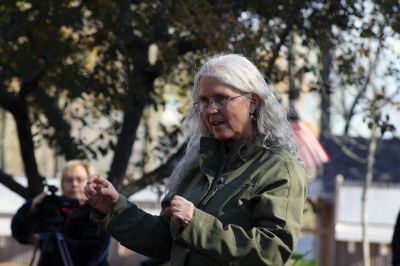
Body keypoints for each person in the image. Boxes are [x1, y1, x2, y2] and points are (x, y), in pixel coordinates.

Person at [84, 53, 308, 265]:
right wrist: (114, 209)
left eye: (221, 98)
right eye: (204, 100)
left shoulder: (279, 167)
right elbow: (165, 241)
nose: (211, 109)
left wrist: (196, 223)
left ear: (253, 102)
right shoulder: (200, 163)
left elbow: (271, 252)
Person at [11, 160, 110, 266]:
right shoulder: (52, 208)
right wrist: (31, 208)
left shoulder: (97, 211)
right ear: (62, 183)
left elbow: (90, 255)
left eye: (79, 179)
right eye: (69, 180)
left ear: (90, 184)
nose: (74, 184)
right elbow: (19, 233)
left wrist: (48, 243)